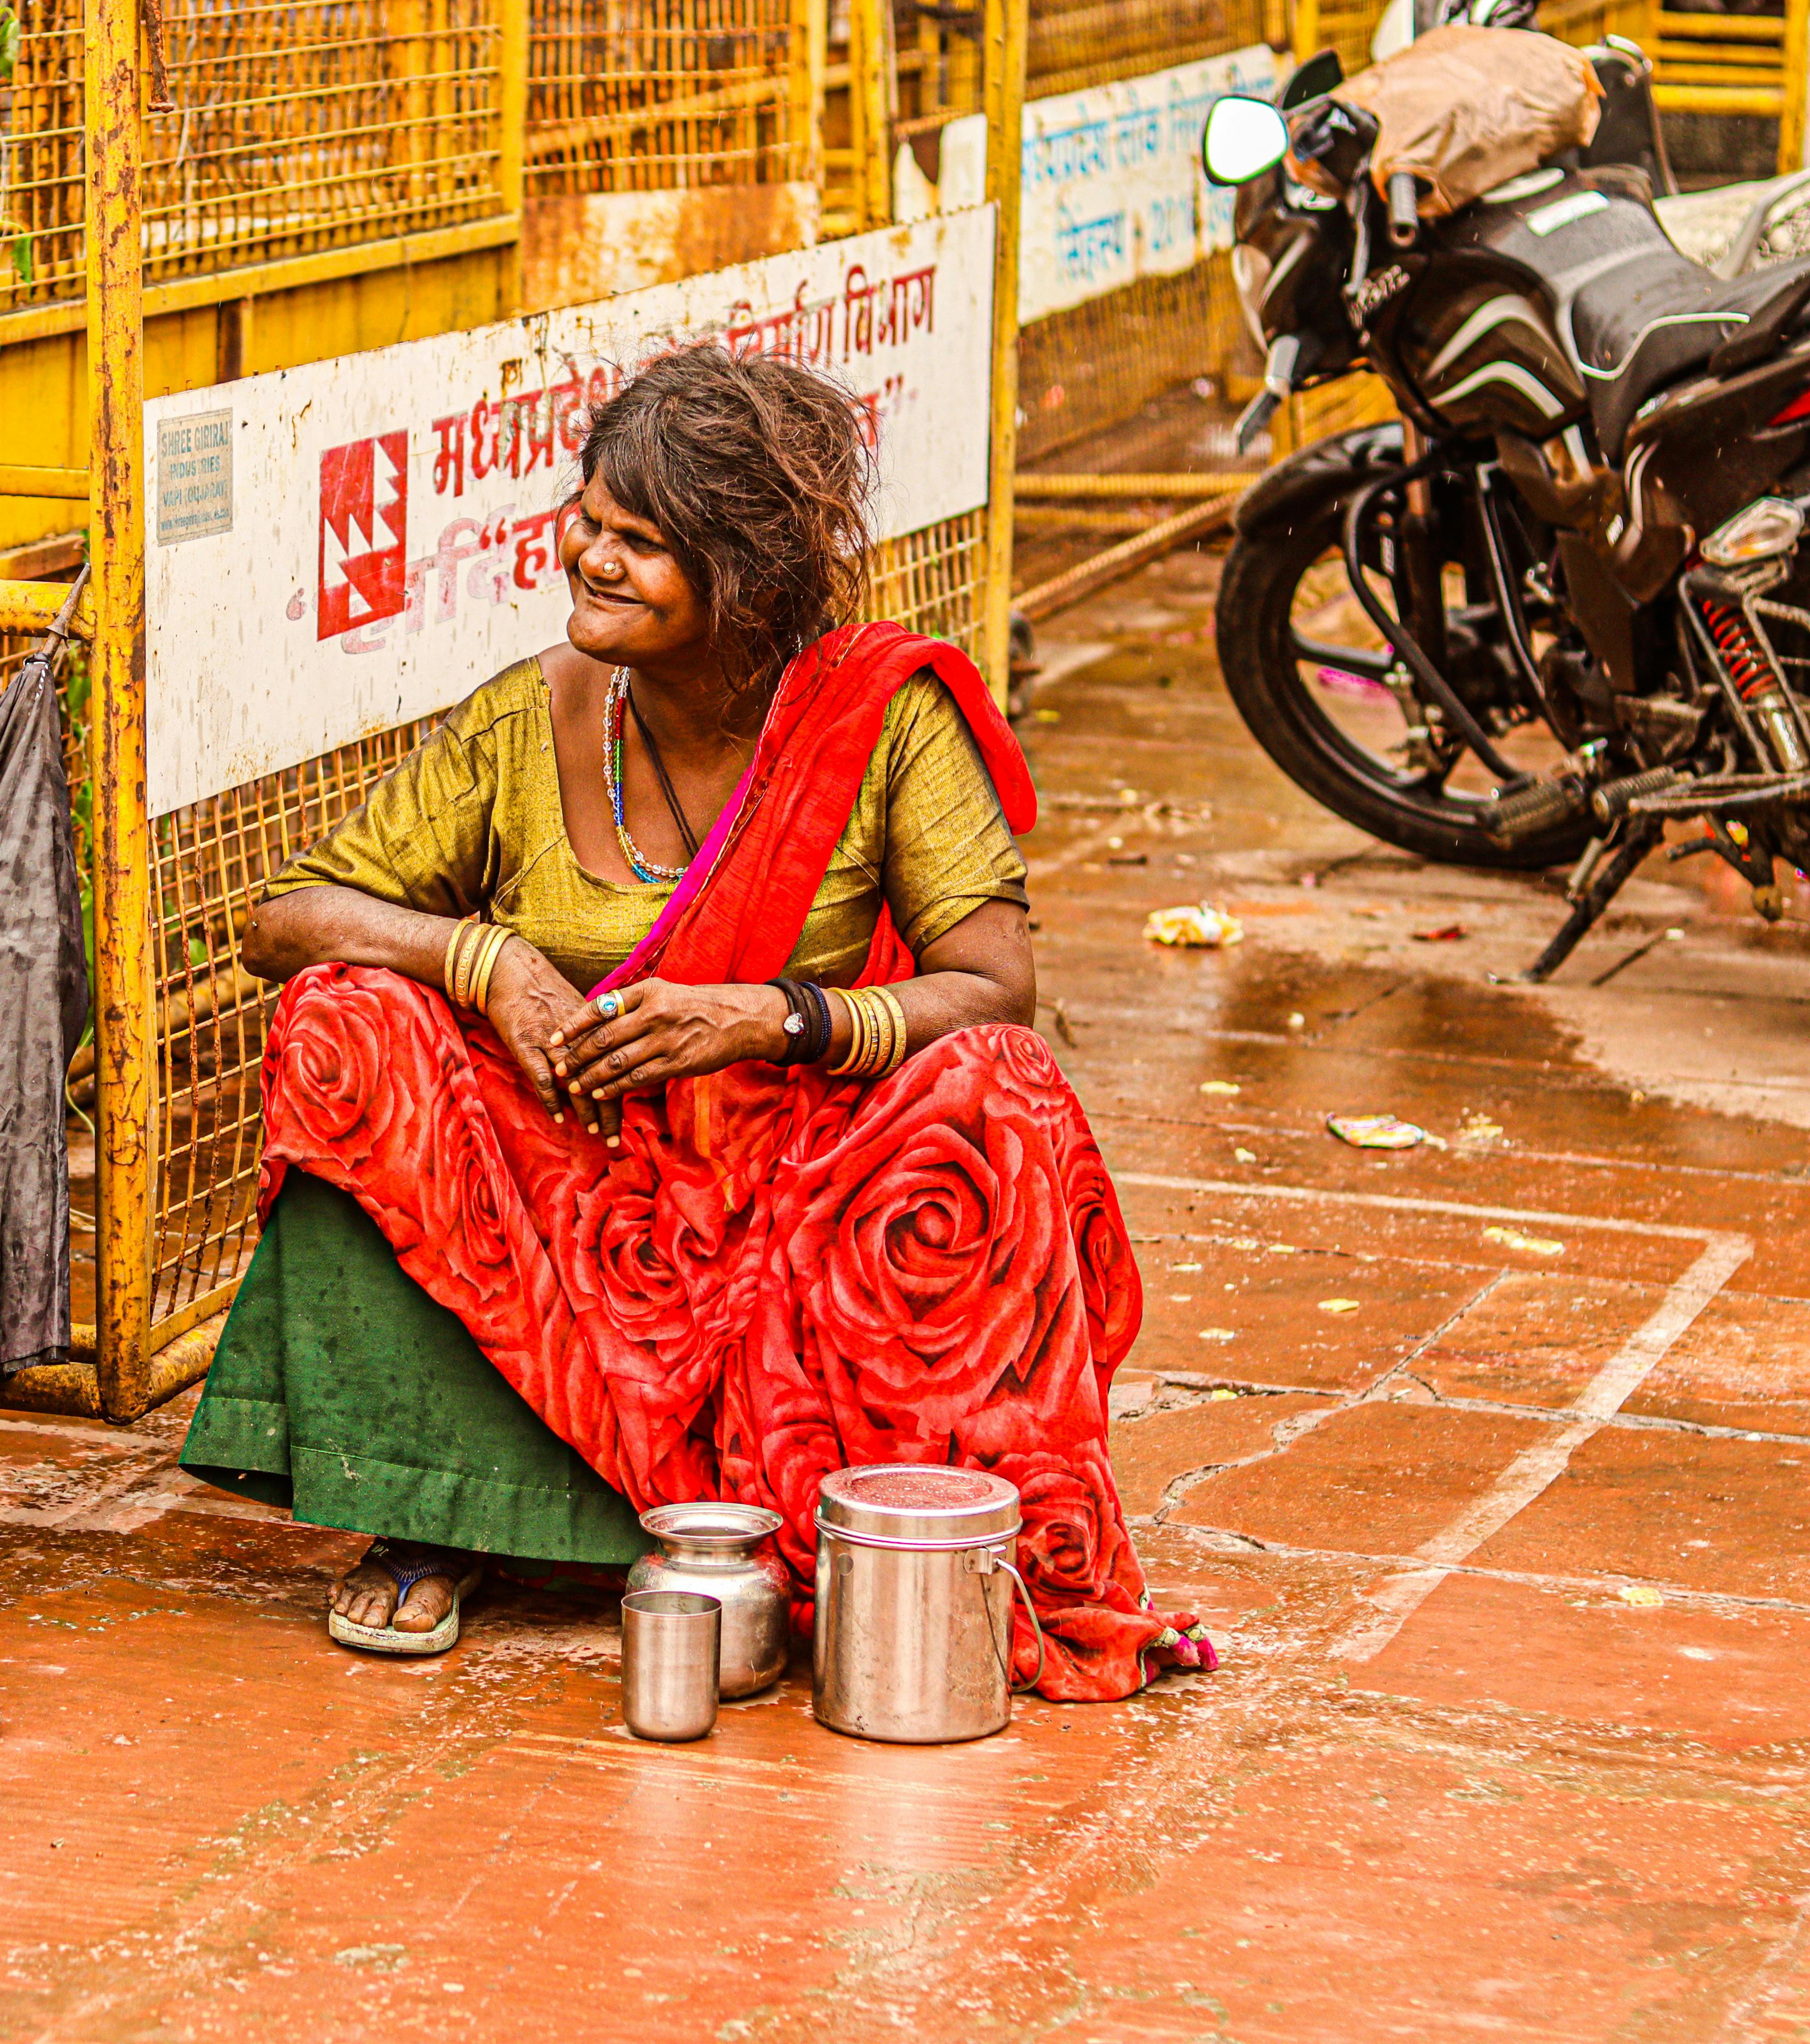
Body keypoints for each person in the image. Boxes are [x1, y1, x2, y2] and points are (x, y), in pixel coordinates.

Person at [179, 345, 1209, 1699]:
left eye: (642, 544)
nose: (589, 560)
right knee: (350, 1023)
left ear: (744, 582)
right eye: (589, 524)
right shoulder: (530, 717)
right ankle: (438, 1511)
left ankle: (890, 1526)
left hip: (801, 1194)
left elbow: (991, 985)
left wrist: (767, 1019)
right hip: (579, 1180)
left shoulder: (881, 719)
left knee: (999, 1089)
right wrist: (487, 960)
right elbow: (288, 917)